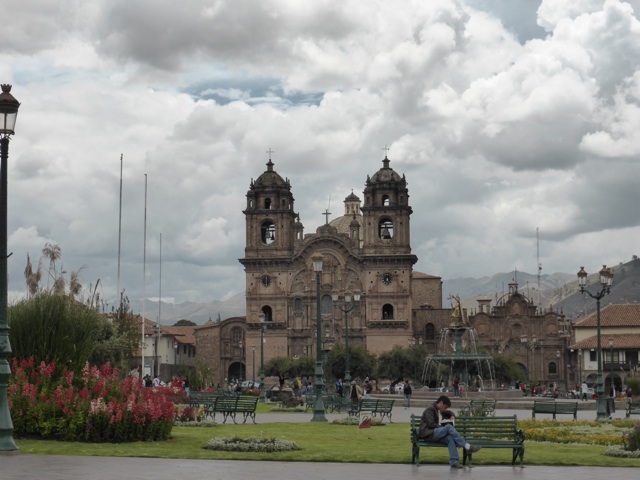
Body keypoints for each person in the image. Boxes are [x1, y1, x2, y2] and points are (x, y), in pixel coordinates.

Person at [418, 395, 481, 468]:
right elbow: (431, 424)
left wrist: (452, 415)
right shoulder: (430, 409)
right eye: (445, 407)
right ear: (441, 403)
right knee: (448, 427)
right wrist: (443, 427)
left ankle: (454, 461)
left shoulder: (438, 409)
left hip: (434, 434)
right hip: (428, 434)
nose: (445, 409)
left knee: (450, 438)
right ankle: (467, 446)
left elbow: (449, 412)